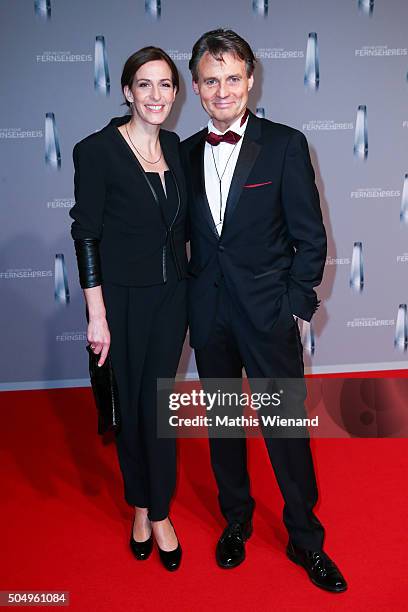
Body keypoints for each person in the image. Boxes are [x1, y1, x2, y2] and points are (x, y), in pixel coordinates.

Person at [181, 29, 347, 592]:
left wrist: (294, 308)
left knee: (284, 431)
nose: (222, 91)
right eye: (211, 80)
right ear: (197, 88)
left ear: (250, 79)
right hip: (210, 316)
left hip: (269, 316)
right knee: (224, 425)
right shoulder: (181, 153)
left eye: (232, 78)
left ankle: (305, 538)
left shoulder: (285, 144)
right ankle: (237, 520)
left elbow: (310, 237)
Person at [70, 47, 188, 571]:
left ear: (176, 93)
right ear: (126, 91)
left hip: (172, 300)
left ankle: (159, 510)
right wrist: (97, 314)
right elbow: (86, 234)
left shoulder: (180, 151)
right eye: (145, 85)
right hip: (119, 300)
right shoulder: (96, 151)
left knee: (158, 410)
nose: (156, 96)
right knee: (131, 411)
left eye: (165, 85)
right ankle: (139, 507)